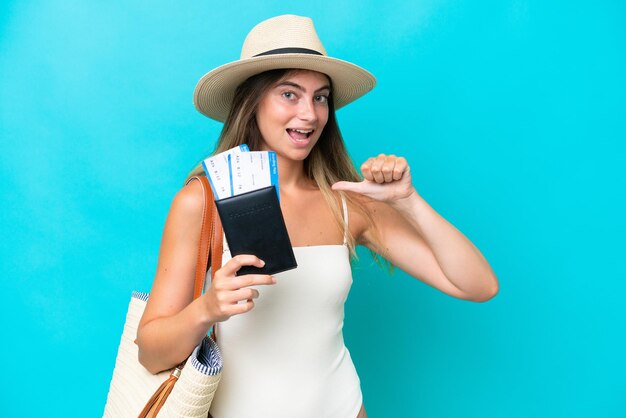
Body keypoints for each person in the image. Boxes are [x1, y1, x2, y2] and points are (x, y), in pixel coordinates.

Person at [136, 14, 499, 418]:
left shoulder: (347, 202)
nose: (309, 114)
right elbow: (151, 353)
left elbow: (478, 285)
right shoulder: (203, 202)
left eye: (320, 97)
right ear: (252, 102)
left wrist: (409, 201)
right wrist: (206, 309)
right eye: (289, 94)